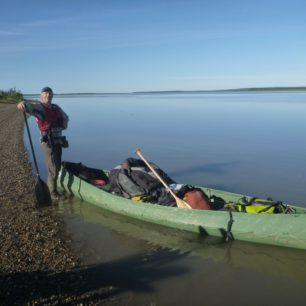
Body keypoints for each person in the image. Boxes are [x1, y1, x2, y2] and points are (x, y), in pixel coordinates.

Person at [17, 87, 69, 201]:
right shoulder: (39, 107)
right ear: (41, 95)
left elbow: (66, 118)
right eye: (45, 94)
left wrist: (63, 124)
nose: (48, 96)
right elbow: (26, 106)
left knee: (57, 165)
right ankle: (53, 193)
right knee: (53, 168)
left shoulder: (56, 108)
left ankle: (54, 185)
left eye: (50, 94)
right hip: (48, 142)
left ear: (52, 95)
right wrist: (22, 103)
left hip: (58, 140)